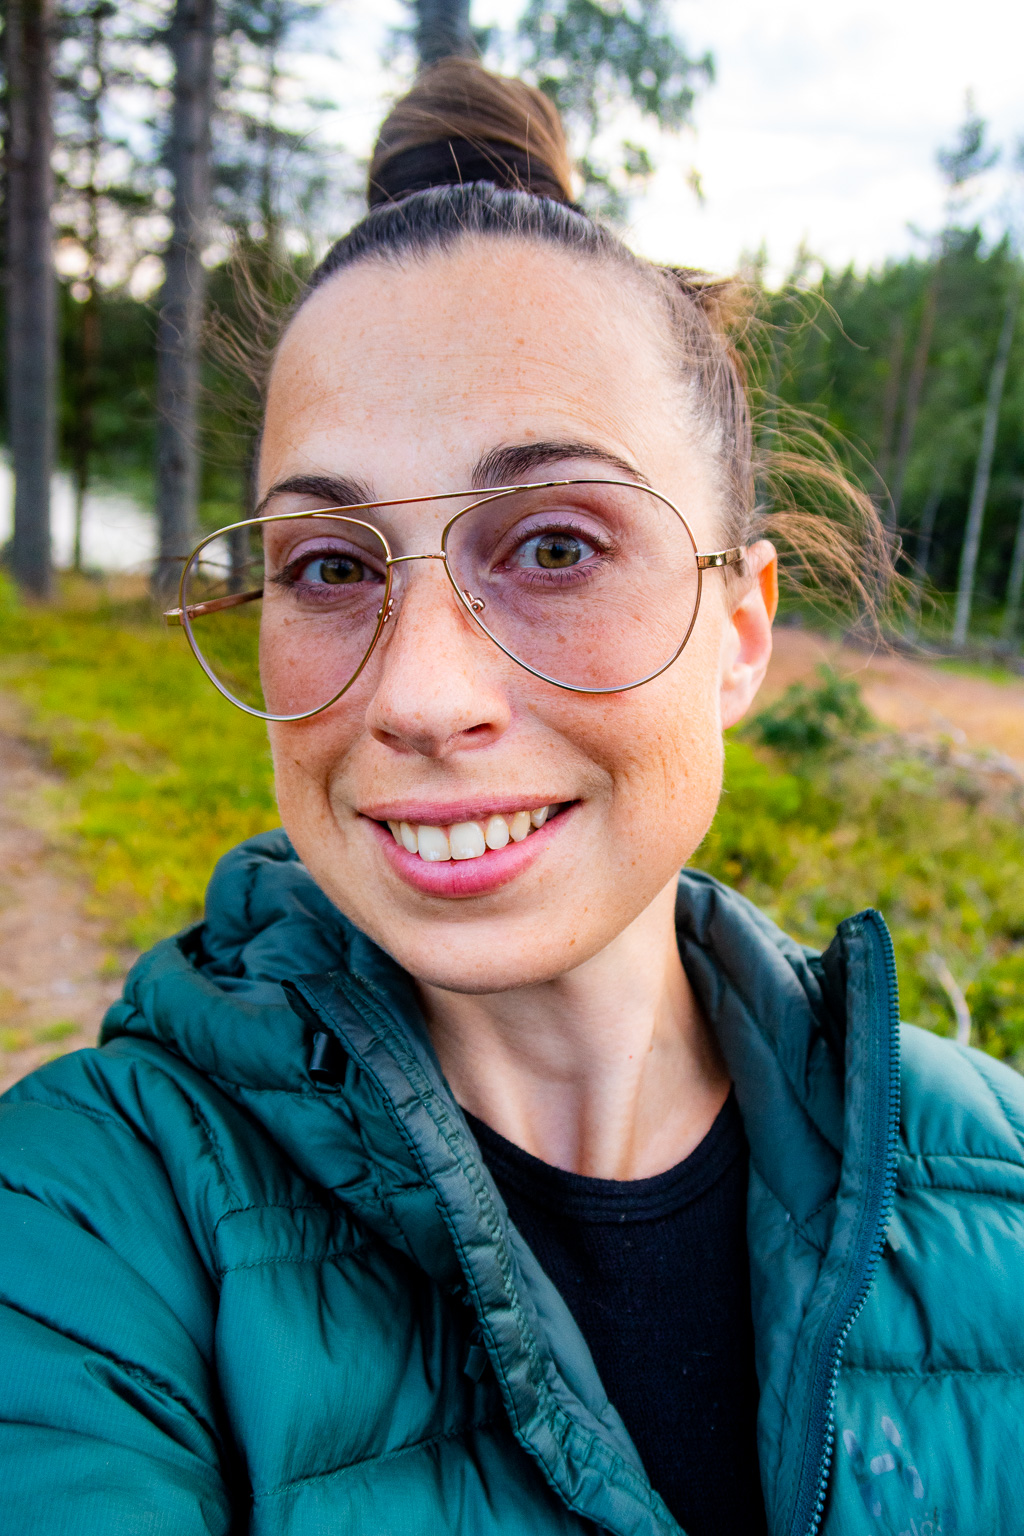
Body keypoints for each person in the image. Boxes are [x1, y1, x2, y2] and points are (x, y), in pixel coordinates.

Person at [2, 58, 1023, 1536]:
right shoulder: (84, 1225)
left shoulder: (999, 1182)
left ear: (741, 627)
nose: (418, 696)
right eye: (332, 566)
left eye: (553, 547)